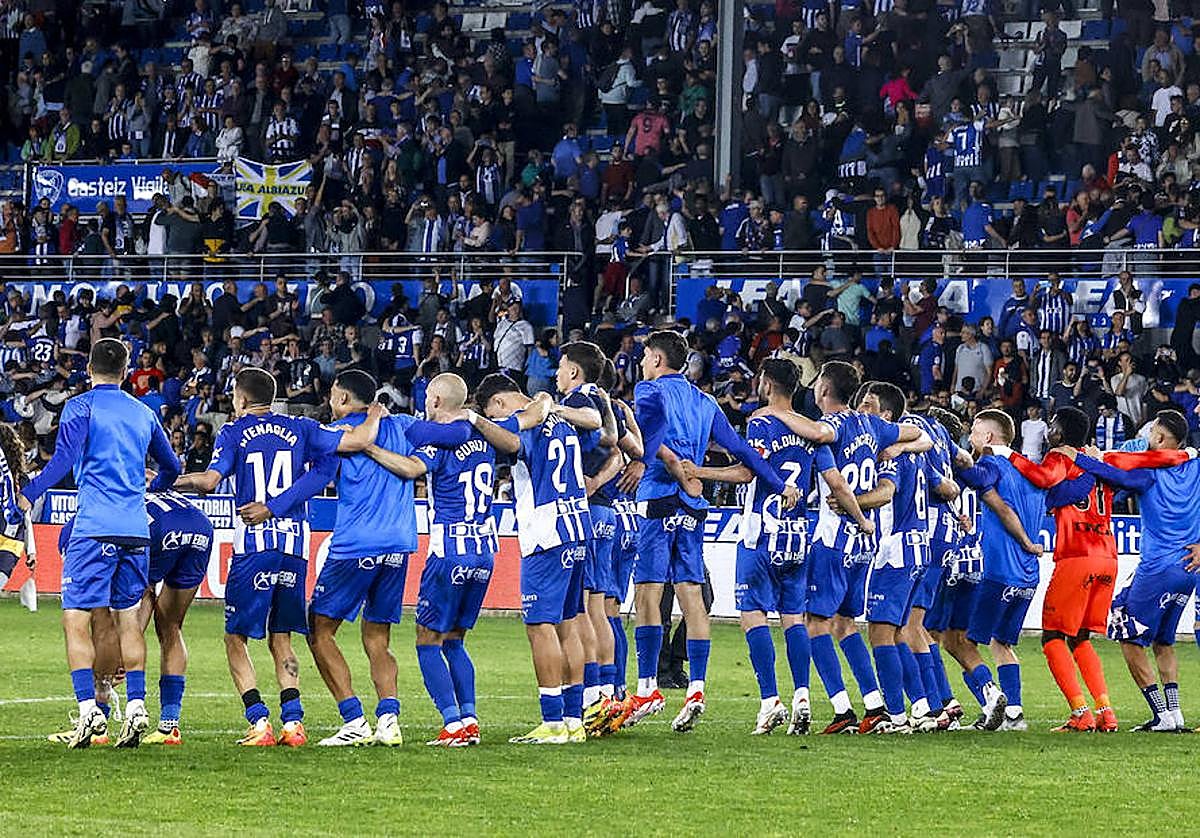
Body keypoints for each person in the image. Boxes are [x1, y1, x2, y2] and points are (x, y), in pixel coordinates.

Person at [173, 367, 382, 747]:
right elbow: (334, 462)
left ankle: (258, 722)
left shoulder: (234, 431)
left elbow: (209, 481)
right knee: (281, 636)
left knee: (235, 638)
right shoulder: (301, 427)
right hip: (295, 546)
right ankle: (293, 724)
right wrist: (375, 413)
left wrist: (167, 480)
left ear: (240, 398)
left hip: (255, 544)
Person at [621, 331, 801, 732]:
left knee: (648, 593)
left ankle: (647, 686)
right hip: (693, 507)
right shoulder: (704, 402)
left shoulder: (649, 390)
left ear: (654, 358)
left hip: (657, 496)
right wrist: (779, 484)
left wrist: (644, 462)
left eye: (646, 356)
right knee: (691, 597)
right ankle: (697, 688)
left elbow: (653, 431)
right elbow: (743, 451)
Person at [282, 370, 470, 747]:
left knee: (319, 631)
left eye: (335, 397)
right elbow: (457, 435)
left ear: (347, 400)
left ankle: (353, 719)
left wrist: (276, 506)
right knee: (377, 638)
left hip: (356, 546)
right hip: (399, 545)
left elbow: (317, 479)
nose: (331, 403)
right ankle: (389, 720)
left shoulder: (339, 434)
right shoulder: (402, 424)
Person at [20, 338, 181, 749]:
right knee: (130, 619)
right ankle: (138, 707)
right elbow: (172, 467)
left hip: (93, 528)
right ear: (126, 371)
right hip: (134, 530)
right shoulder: (143, 412)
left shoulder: (80, 407)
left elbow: (63, 460)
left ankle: (90, 712)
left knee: (75, 619)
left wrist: (30, 490)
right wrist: (150, 493)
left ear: (89, 369)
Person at [685, 359, 858, 735]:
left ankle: (769, 701)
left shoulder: (762, 422)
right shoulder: (812, 432)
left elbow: (749, 472)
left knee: (753, 613)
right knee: (793, 617)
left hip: (761, 532)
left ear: (766, 383)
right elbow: (833, 478)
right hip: (798, 534)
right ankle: (802, 696)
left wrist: (700, 471)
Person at [997, 407, 1190, 732]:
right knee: (1081, 638)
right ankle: (1106, 711)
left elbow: (1044, 479)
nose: (1048, 432)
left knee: (1053, 637)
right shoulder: (1102, 461)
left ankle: (1081, 713)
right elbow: (1132, 475)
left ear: (1060, 432)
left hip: (1076, 554)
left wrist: (1009, 455)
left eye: (1052, 427)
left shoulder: (1060, 457)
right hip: (1107, 557)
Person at [364, 373, 495, 746]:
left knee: (427, 640)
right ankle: (468, 718)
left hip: (449, 550)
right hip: (485, 550)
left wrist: (369, 448)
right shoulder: (484, 438)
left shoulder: (440, 441)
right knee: (455, 640)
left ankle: (452, 724)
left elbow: (411, 468)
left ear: (436, 401)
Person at [469, 374, 589, 745]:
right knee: (569, 623)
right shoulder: (560, 418)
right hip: (577, 526)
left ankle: (552, 721)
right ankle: (574, 719)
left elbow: (509, 438)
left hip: (546, 533)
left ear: (500, 405)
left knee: (540, 626)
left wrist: (476, 422)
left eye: (492, 412)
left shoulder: (530, 423)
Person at [1066, 411, 1200, 732]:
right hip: (1188, 568)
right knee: (1163, 641)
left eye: (1151, 430)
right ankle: (1175, 713)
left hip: (1158, 567)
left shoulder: (1149, 472)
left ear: (1161, 440)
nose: (1145, 436)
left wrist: (1082, 458)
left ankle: (1162, 715)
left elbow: (1114, 474)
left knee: (1126, 633)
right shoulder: (1195, 467)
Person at [847, 383, 954, 734]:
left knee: (881, 632)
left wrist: (851, 503)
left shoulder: (891, 455)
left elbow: (886, 492)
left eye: (868, 405)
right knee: (900, 633)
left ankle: (894, 715)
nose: (861, 411)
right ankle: (925, 708)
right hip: (916, 548)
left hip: (896, 551)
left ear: (887, 416)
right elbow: (926, 444)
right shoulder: (911, 450)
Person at [950, 409, 1047, 731]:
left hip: (998, 569)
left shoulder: (992, 464)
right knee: (1000, 644)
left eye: (975, 431)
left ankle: (990, 703)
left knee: (961, 642)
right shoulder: (1031, 472)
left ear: (989, 437)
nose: (970, 437)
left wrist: (949, 455)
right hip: (1027, 574)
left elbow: (979, 482)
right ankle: (1015, 715)